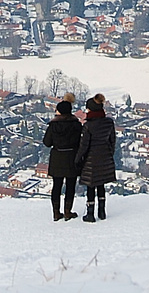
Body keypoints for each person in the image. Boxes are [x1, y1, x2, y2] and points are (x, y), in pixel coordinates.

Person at [75, 93, 116, 222]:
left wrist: (78, 159)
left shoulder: (88, 125)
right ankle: (102, 211)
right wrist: (109, 154)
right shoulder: (109, 122)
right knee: (101, 184)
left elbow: (84, 145)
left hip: (91, 159)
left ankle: (90, 213)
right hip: (105, 157)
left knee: (91, 185)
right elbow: (112, 141)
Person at [43, 93, 83, 221]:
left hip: (57, 157)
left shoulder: (53, 125)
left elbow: (47, 143)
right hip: (72, 157)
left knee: (57, 185)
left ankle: (56, 212)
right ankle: (67, 212)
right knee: (70, 186)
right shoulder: (76, 124)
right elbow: (80, 142)